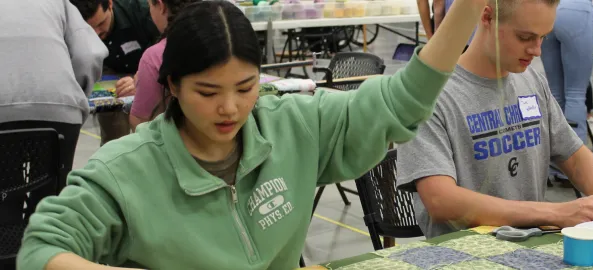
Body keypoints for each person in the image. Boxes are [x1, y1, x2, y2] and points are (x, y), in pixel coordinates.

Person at [16, 0, 483, 268]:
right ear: (172, 86)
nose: (231, 108)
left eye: (245, 87)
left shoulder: (294, 125)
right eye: (207, 91)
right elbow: (42, 247)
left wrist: (465, 10)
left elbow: (400, 101)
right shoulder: (128, 171)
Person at [397, 0, 593, 239]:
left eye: (543, 37)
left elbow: (574, 156)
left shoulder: (531, 82)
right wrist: (554, 212)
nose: (537, 50)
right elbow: (441, 200)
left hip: (532, 246)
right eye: (525, 37)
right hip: (464, 254)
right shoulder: (429, 95)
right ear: (487, 17)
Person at [0, 0, 107, 179]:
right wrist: (75, 95)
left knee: (6, 195)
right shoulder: (59, 3)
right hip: (60, 111)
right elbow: (88, 54)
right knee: (52, 196)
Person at [540, 0, 593, 183]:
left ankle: (550, 165)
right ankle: (572, 169)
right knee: (576, 94)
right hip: (579, 9)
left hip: (549, 9)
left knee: (554, 94)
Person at [129, 0, 201, 130]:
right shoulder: (222, 39)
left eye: (150, 5)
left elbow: (141, 123)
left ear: (161, 6)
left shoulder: (155, 56)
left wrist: (141, 87)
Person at [69, 0, 160, 97]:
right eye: (89, 28)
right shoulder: (68, 21)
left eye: (101, 24)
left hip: (146, 78)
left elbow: (165, 55)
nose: (96, 34)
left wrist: (144, 80)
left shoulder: (144, 11)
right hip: (103, 81)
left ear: (110, 4)